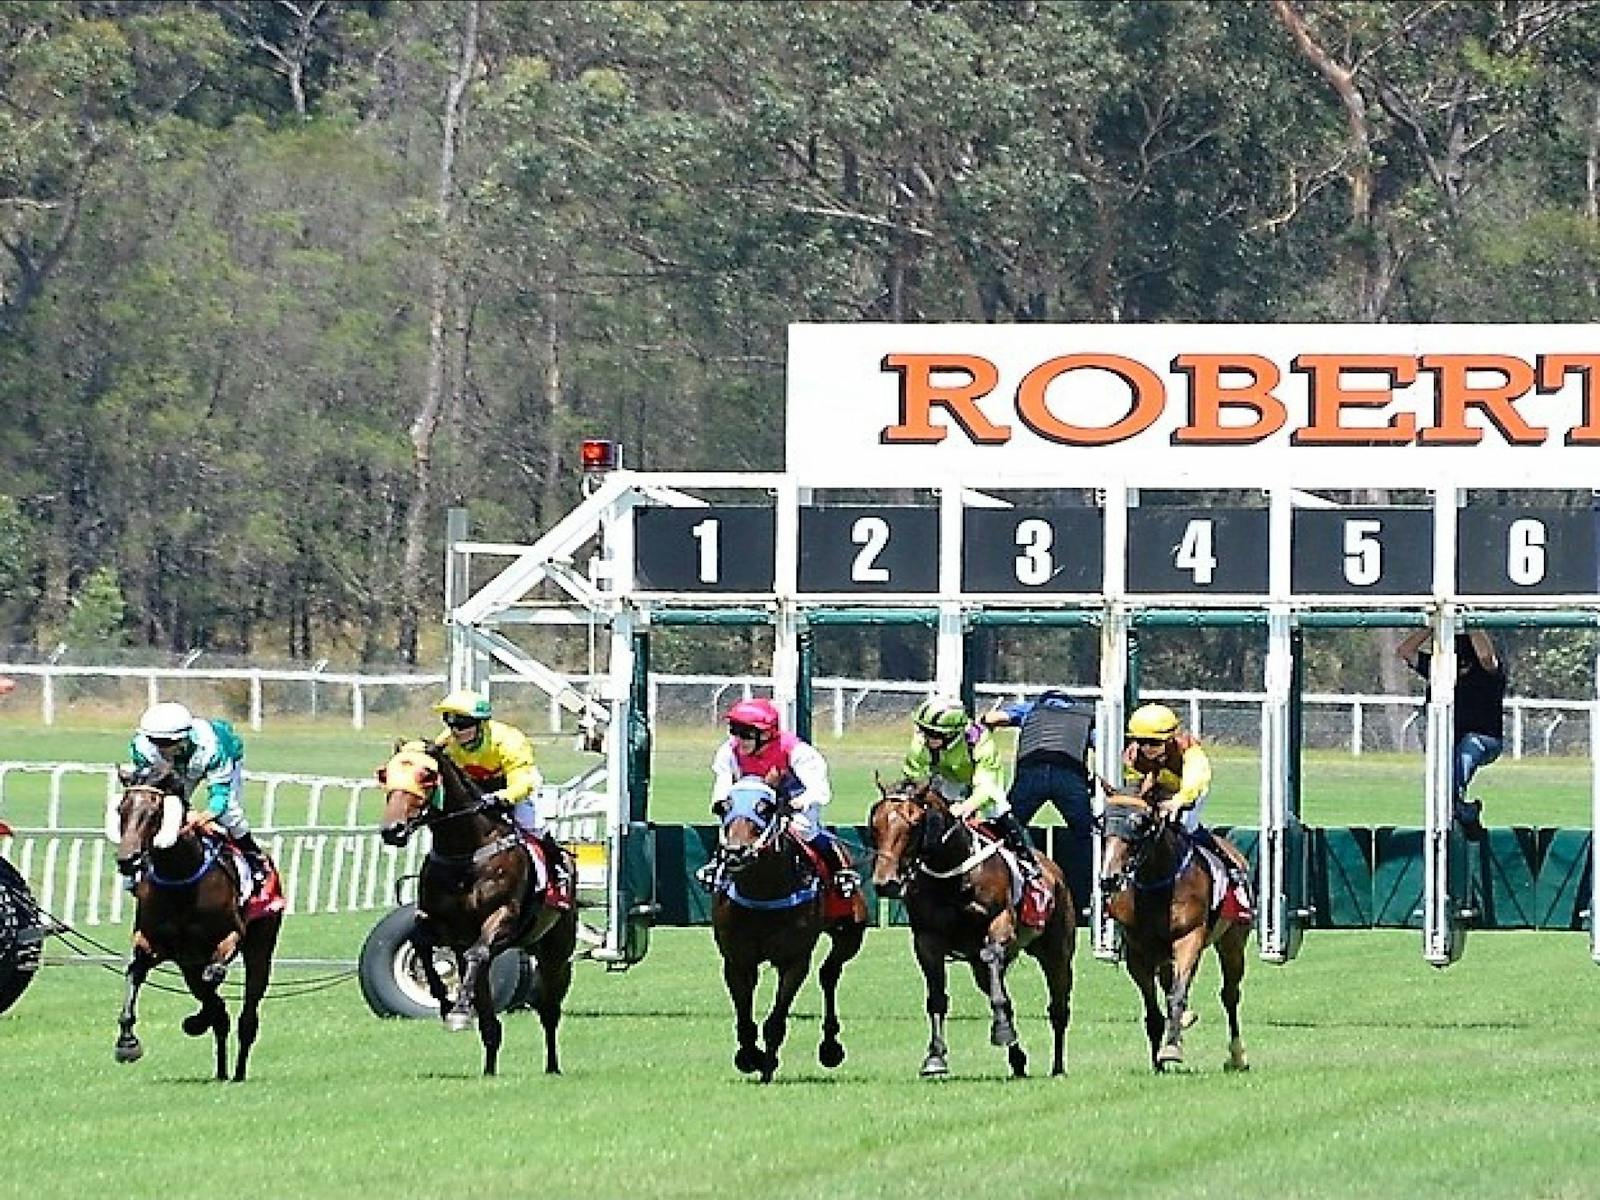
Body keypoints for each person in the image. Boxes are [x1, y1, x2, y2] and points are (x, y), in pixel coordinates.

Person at [704, 697, 859, 897]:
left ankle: (839, 871)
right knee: (735, 828)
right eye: (734, 730)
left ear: (767, 734)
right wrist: (721, 802)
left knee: (803, 830)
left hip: (794, 802)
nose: (738, 739)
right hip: (753, 803)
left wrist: (799, 803)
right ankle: (716, 868)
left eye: (746, 733)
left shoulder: (797, 751)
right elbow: (723, 780)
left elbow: (820, 790)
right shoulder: (729, 750)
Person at [1122, 702, 1252, 919]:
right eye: (1141, 741)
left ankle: (1233, 875)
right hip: (1159, 790)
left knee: (1185, 826)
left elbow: (1195, 782)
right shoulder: (1134, 755)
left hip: (1189, 791)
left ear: (1170, 739)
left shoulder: (1190, 751)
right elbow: (1136, 784)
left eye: (1153, 742)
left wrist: (1177, 801)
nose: (1146, 748)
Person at [432, 688, 571, 890]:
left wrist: (503, 797)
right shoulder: (448, 741)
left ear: (480, 723)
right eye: (449, 722)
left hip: (512, 789)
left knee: (532, 824)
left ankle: (557, 867)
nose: (455, 730)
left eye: (462, 724)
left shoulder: (508, 740)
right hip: (477, 792)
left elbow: (523, 779)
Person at [127, 701, 270, 890]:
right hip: (180, 766)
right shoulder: (143, 749)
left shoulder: (212, 748)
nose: (160, 748)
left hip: (224, 758)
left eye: (167, 743)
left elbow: (220, 796)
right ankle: (139, 866)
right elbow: (161, 790)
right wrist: (187, 811)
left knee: (230, 814)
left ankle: (253, 857)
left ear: (184, 738)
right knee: (159, 810)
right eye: (155, 741)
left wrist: (205, 817)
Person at [905, 696, 1040, 883]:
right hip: (946, 777)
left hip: (982, 778)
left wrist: (966, 806)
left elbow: (986, 785)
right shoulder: (920, 744)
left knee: (998, 809)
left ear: (951, 735)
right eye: (923, 730)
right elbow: (915, 777)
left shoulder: (981, 741)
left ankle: (1027, 861)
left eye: (931, 733)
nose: (925, 737)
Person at [981, 689, 1096, 908]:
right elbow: (1101, 743)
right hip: (1069, 775)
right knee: (1086, 835)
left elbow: (996, 718)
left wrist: (986, 719)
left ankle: (1007, 886)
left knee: (1006, 830)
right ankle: (1087, 895)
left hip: (1031, 773)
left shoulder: (1032, 709)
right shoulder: (1085, 715)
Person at [1397, 629, 1505, 842]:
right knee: (1447, 760)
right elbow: (1406, 650)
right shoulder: (1440, 671)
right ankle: (1461, 809)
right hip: (1449, 741)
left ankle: (1453, 801)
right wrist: (1433, 625)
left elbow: (1485, 657)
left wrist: (1471, 624)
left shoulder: (1488, 671)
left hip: (1485, 739)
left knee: (1469, 745)